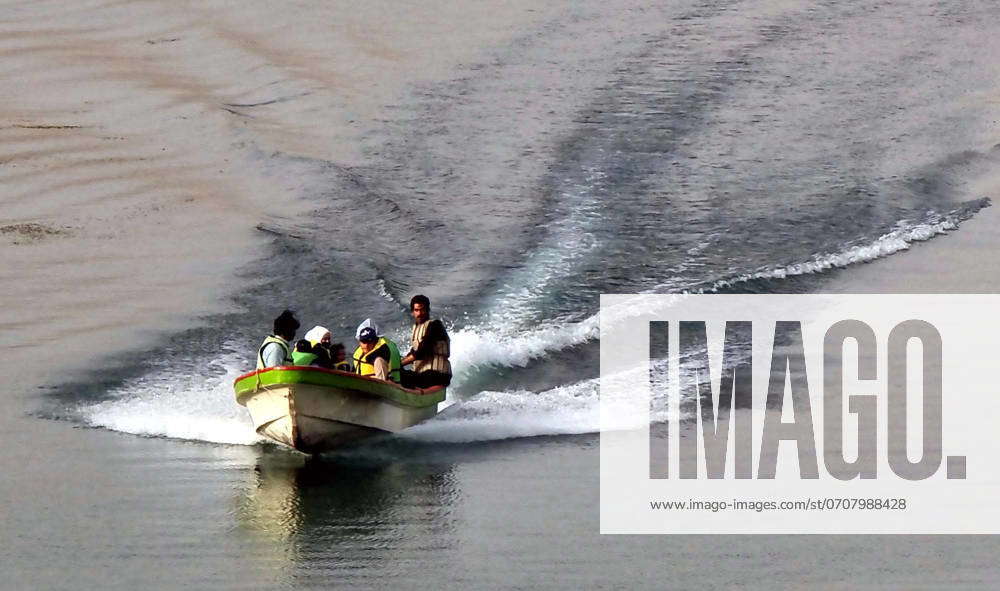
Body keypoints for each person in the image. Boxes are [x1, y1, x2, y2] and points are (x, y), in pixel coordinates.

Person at [400, 294, 452, 389]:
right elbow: (414, 351)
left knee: (399, 375)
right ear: (412, 312)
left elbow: (422, 351)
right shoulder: (416, 328)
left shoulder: (435, 325)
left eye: (422, 310)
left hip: (438, 374)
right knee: (397, 372)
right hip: (423, 374)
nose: (419, 313)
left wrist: (399, 364)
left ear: (428, 310)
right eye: (416, 310)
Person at [352, 318, 402, 382]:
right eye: (363, 342)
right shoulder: (359, 352)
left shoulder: (381, 355)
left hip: (392, 383)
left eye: (369, 342)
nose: (366, 345)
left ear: (375, 340)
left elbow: (382, 381)